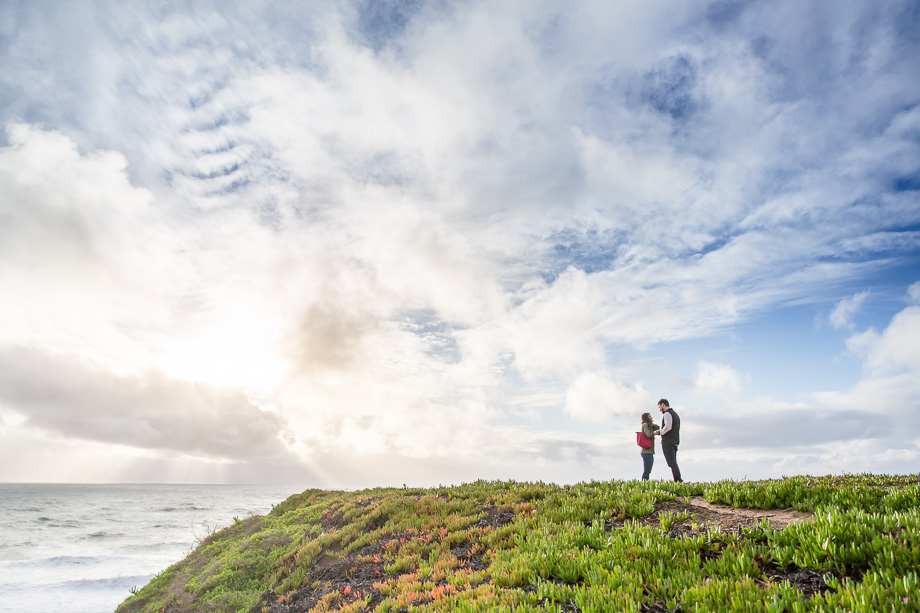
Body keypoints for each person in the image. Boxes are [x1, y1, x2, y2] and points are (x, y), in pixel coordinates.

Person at [655, 398, 683, 482]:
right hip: (675, 441)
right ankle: (678, 479)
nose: (660, 409)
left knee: (672, 463)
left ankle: (678, 480)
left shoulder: (667, 414)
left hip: (668, 442)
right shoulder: (675, 414)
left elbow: (668, 427)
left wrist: (659, 432)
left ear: (663, 404)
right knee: (673, 462)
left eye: (659, 407)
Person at [640, 413, 660, 480]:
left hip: (650, 451)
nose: (651, 417)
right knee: (647, 470)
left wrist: (652, 424)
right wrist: (654, 433)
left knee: (649, 469)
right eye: (649, 416)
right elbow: (648, 435)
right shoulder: (645, 425)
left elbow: (658, 427)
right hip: (646, 451)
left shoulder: (649, 425)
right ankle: (644, 483)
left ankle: (645, 482)